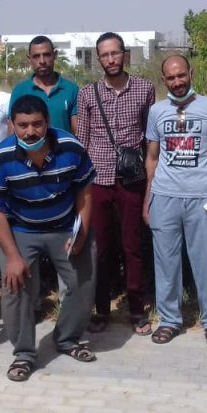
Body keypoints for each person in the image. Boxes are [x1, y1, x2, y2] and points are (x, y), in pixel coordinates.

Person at [0, 95, 97, 382]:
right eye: (22, 125)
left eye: (37, 124)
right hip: (21, 230)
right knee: (15, 287)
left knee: (82, 282)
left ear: (47, 122)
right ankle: (24, 353)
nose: (30, 132)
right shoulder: (0, 158)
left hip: (65, 226)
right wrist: (12, 257)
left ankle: (67, 339)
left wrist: (82, 232)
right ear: (12, 125)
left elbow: (85, 191)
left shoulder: (71, 147)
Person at [143, 55, 207, 348]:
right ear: (164, 80)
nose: (177, 82)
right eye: (171, 78)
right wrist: (148, 198)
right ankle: (169, 320)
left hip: (202, 197)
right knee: (166, 263)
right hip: (164, 196)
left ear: (191, 73)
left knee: (205, 263)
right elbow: (152, 158)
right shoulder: (156, 111)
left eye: (181, 75)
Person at [75, 32, 155, 335]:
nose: (110, 59)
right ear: (99, 59)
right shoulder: (88, 94)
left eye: (115, 53)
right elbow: (82, 141)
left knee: (133, 246)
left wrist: (150, 178)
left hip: (131, 178)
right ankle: (102, 308)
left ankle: (136, 308)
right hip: (98, 180)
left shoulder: (145, 89)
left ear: (126, 55)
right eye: (105, 55)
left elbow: (150, 139)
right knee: (101, 248)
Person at [9, 36, 79, 133]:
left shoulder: (72, 90)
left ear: (55, 55)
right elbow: (12, 131)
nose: (42, 61)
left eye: (46, 55)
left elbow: (77, 132)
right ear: (29, 59)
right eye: (36, 56)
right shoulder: (20, 91)